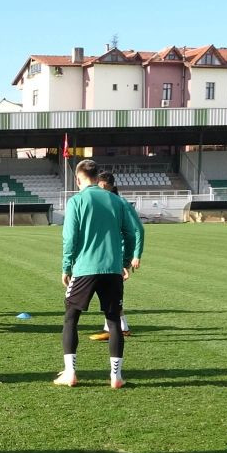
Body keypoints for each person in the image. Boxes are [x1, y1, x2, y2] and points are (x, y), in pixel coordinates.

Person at [57, 160, 138, 389]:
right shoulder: (116, 200)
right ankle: (116, 377)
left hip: (84, 269)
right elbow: (130, 234)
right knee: (113, 321)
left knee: (71, 318)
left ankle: (70, 373)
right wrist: (124, 261)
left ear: (78, 178)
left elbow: (70, 238)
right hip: (112, 269)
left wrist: (66, 267)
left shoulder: (76, 201)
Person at [90, 171, 143, 341]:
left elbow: (138, 229)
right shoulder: (110, 203)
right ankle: (114, 327)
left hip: (118, 256)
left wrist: (135, 256)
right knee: (111, 293)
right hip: (111, 254)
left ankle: (122, 328)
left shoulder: (121, 203)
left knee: (113, 295)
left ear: (104, 185)